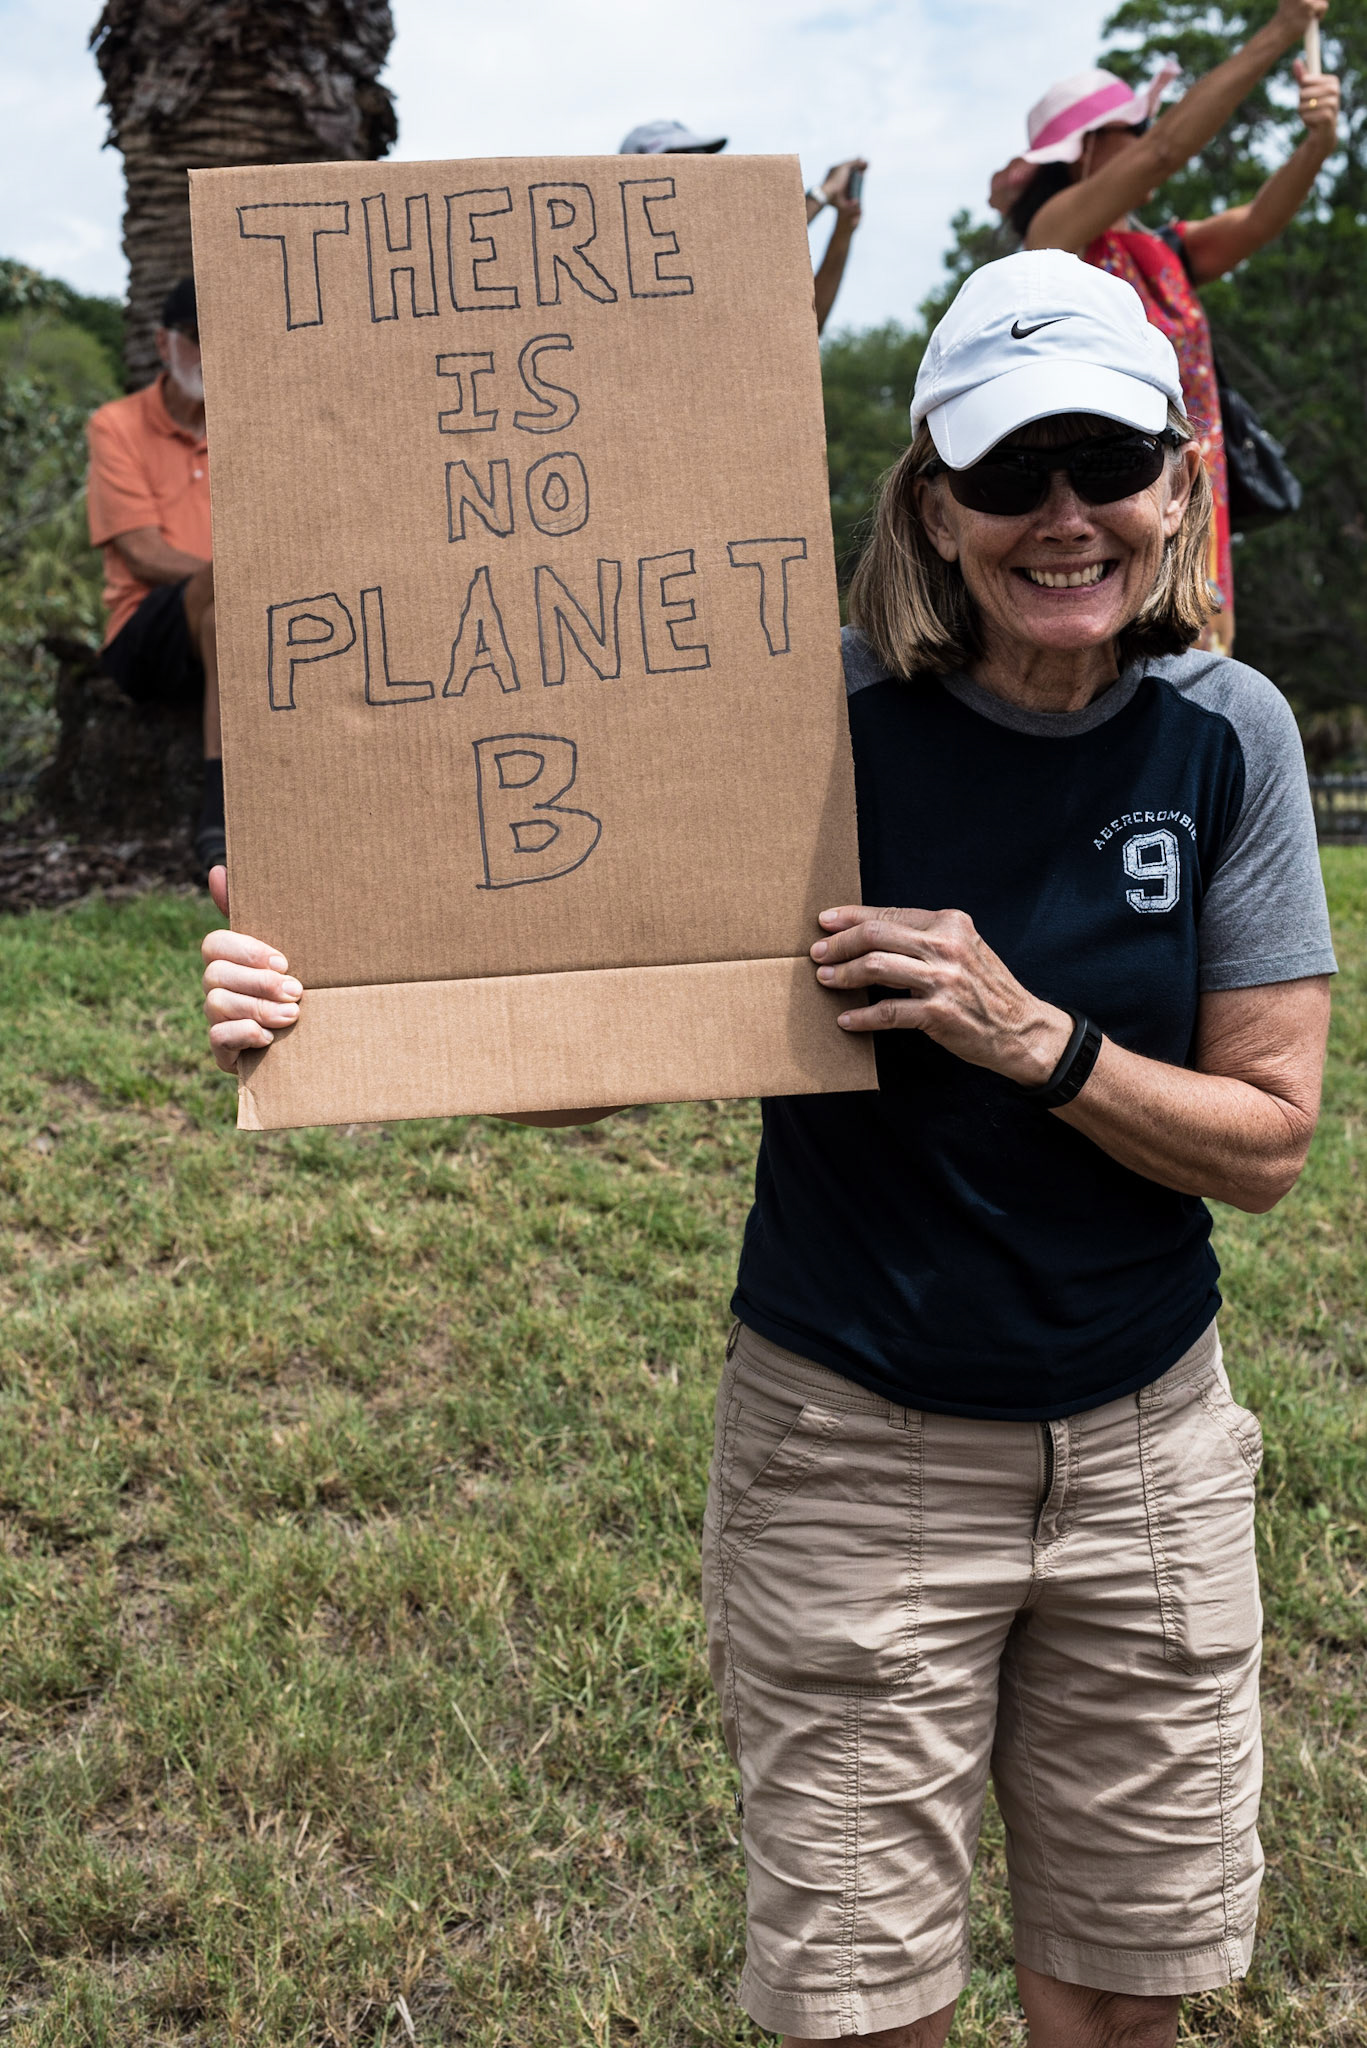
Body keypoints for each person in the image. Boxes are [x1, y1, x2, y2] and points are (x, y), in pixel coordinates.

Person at [200, 249, 1336, 2046]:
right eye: (1007, 473)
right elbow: (597, 1055)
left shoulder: (1227, 735)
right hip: (850, 1454)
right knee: (857, 2008)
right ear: (931, 504)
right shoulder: (805, 729)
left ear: (1175, 484)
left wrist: (1021, 1030)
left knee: (1123, 2001)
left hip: (1146, 1463)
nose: (1063, 516)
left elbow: (1266, 1142)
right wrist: (331, 1005)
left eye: (1105, 464)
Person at [990, 0, 1338, 655]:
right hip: (1111, 502)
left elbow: (1260, 219)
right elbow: (1164, 152)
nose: (1150, 131)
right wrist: (1279, 32)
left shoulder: (1164, 252)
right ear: (1088, 149)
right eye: (1133, 125)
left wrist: (1317, 145)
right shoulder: (1055, 241)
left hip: (1192, 508)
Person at [86, 276, 224, 871]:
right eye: (196, 337)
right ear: (164, 343)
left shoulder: (245, 425)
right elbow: (142, 553)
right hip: (143, 635)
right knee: (225, 594)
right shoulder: (116, 425)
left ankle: (220, 817)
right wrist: (238, 577)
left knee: (227, 618)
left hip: (222, 631)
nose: (208, 351)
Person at [619, 118, 866, 333]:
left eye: (701, 158)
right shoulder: (619, 271)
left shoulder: (733, 268)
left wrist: (843, 230)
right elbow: (749, 247)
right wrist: (822, 194)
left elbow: (807, 327)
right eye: (675, 160)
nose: (697, 169)